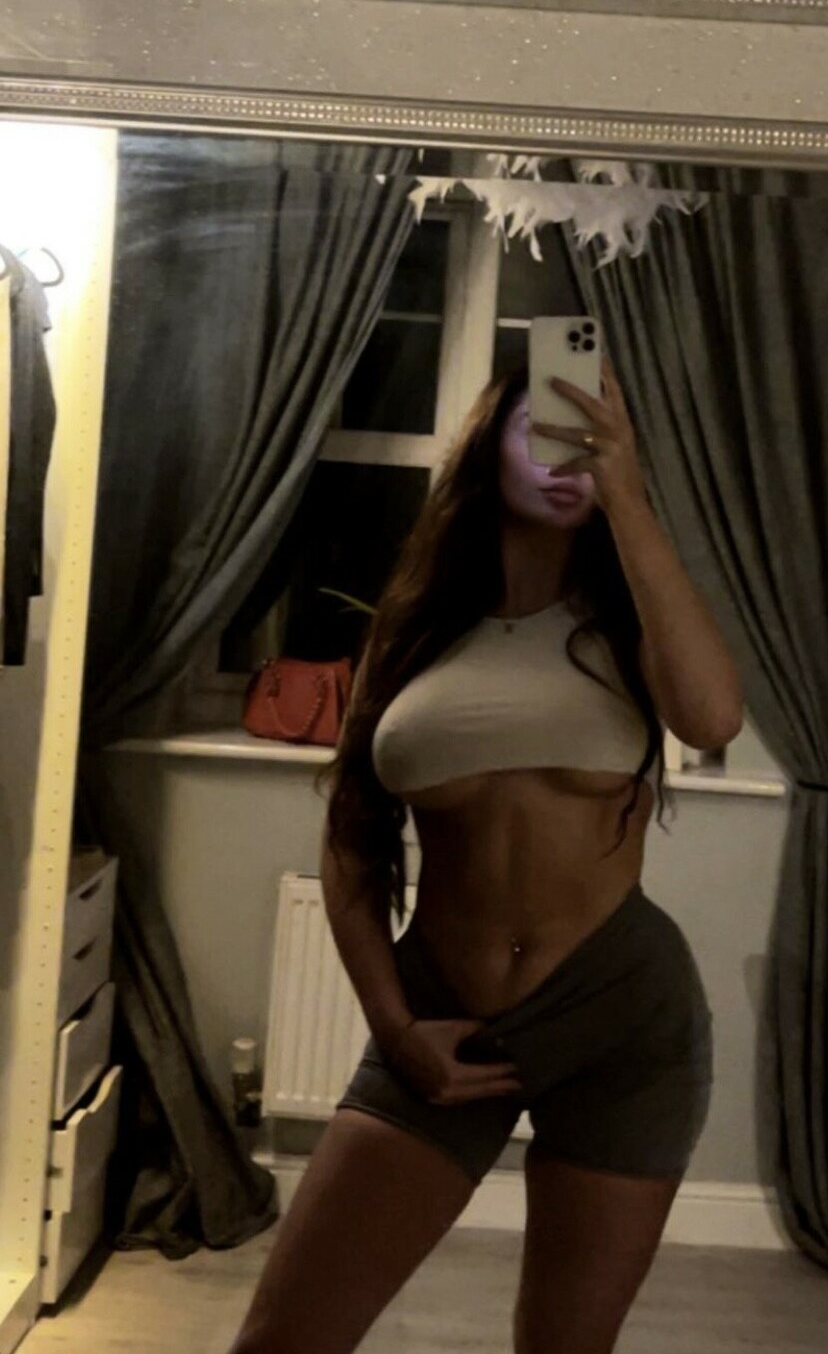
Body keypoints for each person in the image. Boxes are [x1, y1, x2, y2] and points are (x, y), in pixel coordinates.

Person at [228, 358, 743, 1354]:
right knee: (282, 1342)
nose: (565, 456)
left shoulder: (629, 623)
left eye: (590, 437)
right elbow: (352, 843)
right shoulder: (416, 628)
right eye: (541, 427)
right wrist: (393, 1024)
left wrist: (628, 499)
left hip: (623, 1017)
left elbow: (712, 717)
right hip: (443, 1010)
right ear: (485, 447)